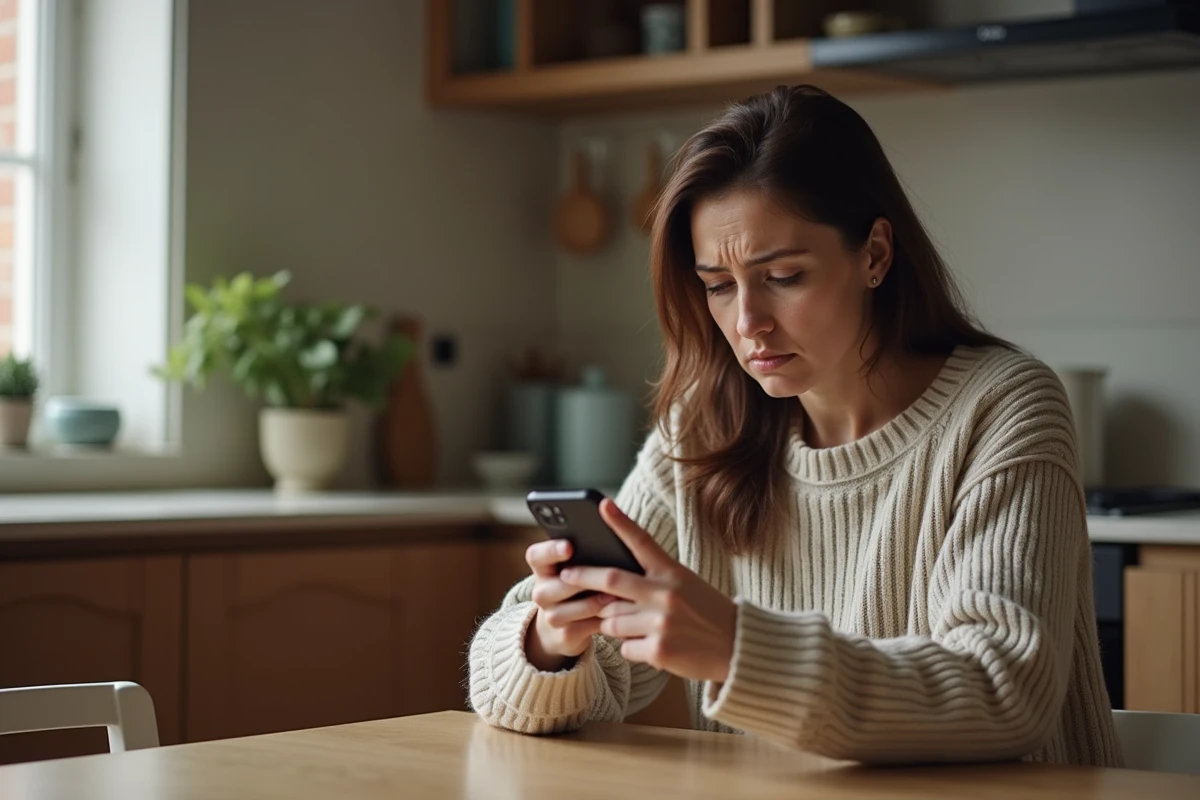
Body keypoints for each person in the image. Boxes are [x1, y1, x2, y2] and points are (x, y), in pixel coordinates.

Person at [468, 85, 1122, 767]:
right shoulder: (706, 426)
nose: (747, 323)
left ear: (874, 254)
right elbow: (524, 683)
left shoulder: (1003, 406)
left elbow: (1003, 692)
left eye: (782, 275)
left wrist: (734, 647)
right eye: (718, 286)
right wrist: (551, 638)